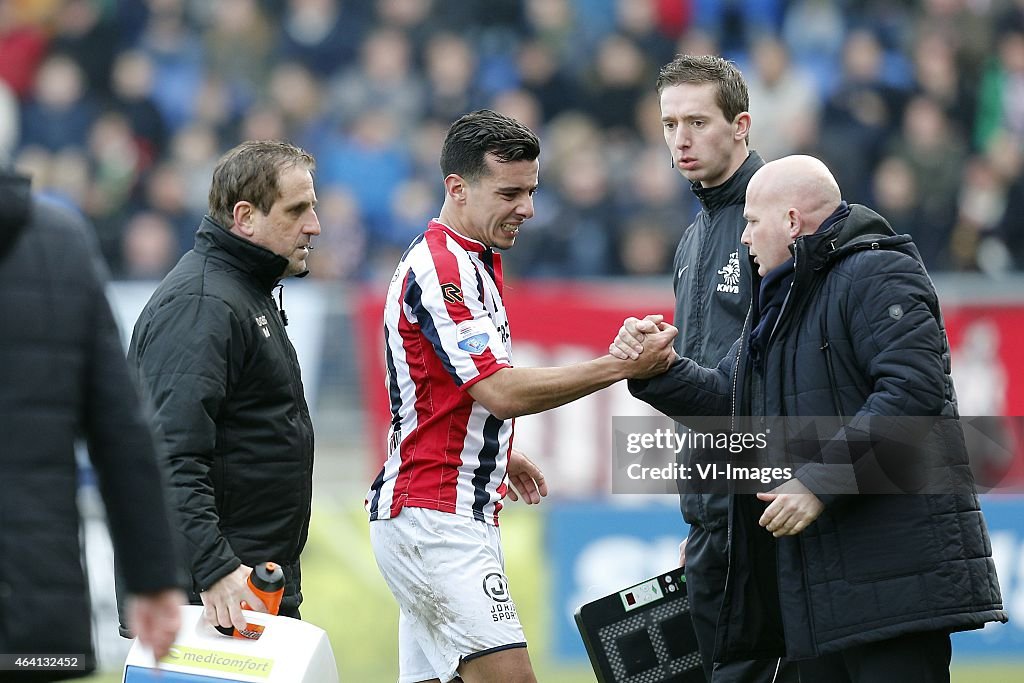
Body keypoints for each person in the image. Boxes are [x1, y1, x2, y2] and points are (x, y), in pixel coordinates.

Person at [614, 155, 1006, 682]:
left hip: (894, 587)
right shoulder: (779, 299)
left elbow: (914, 395)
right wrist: (659, 371)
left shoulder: (879, 270)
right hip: (817, 594)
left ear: (792, 222)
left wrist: (818, 482)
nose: (746, 238)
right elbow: (732, 400)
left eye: (753, 223)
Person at [365, 109, 676, 683]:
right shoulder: (443, 270)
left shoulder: (474, 260)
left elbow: (438, 392)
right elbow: (501, 391)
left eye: (532, 191)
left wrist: (493, 451)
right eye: (510, 192)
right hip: (437, 519)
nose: (527, 209)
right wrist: (620, 365)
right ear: (456, 189)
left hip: (448, 507)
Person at [128, 141, 319, 636]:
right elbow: (166, 455)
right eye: (297, 210)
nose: (313, 226)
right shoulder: (204, 303)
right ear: (245, 217)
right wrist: (213, 568)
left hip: (246, 584)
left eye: (313, 208)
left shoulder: (240, 291)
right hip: (210, 599)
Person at [0, 167, 183, 679]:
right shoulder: (59, 241)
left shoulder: (59, 240)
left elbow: (120, 428)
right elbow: (120, 429)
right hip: (29, 593)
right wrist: (152, 579)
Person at [645, 54, 789, 683]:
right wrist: (704, 515)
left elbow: (755, 379)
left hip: (767, 509)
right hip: (717, 515)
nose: (681, 138)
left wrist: (651, 371)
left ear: (742, 125)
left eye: (697, 121)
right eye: (670, 123)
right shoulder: (694, 237)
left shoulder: (780, 222)